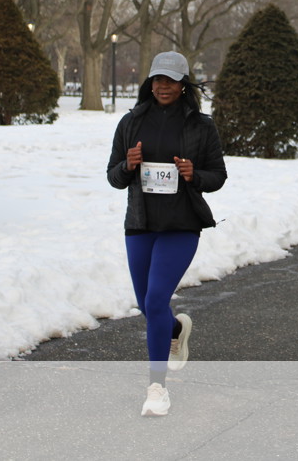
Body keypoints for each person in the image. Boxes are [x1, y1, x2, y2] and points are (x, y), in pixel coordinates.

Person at [106, 51, 227, 416]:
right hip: (140, 224)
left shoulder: (201, 126)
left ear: (183, 85)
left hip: (181, 224)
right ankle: (174, 330)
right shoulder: (131, 122)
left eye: (171, 81)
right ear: (150, 82)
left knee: (156, 299)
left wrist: (194, 174)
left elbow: (218, 176)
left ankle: (157, 387)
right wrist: (127, 166)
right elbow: (113, 176)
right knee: (147, 305)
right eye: (158, 79)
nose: (163, 86)